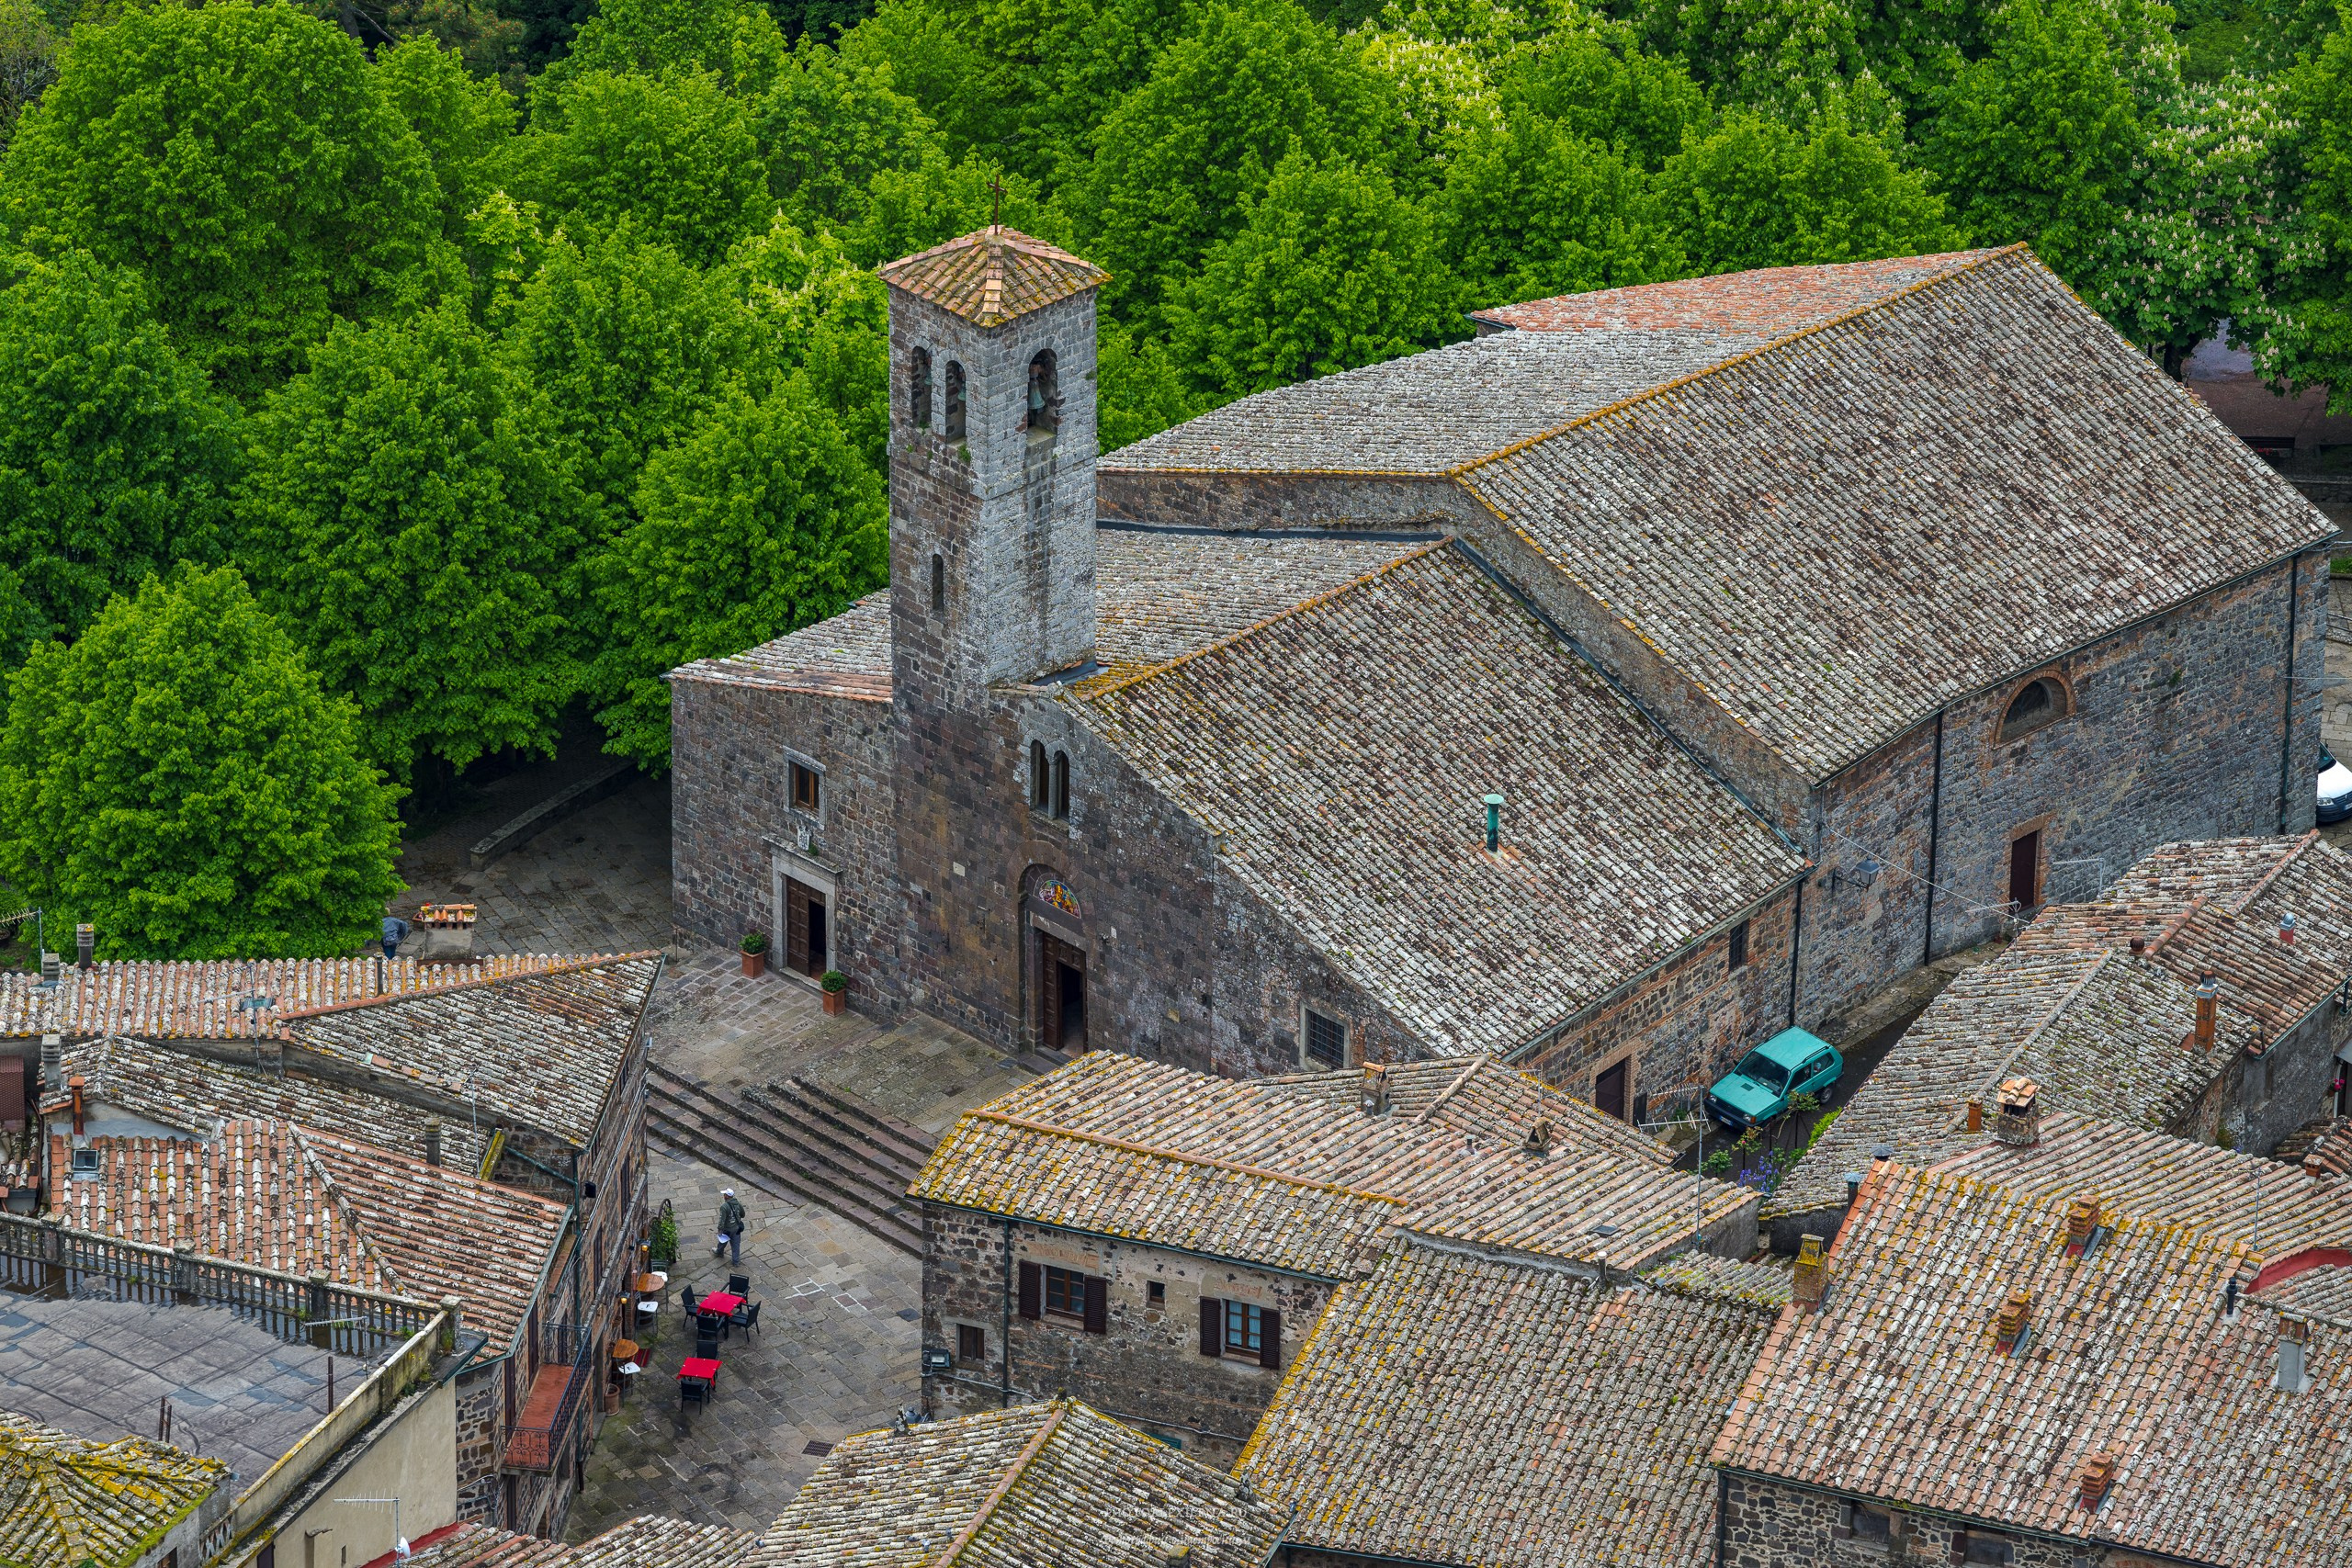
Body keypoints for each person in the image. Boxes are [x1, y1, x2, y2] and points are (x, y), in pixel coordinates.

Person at [715, 1190, 746, 1265]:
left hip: (727, 1229)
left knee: (723, 1242)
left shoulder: (724, 1207)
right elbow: (743, 1214)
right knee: (736, 1245)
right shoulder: (738, 1204)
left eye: (725, 1194)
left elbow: (722, 1220)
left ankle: (719, 1252)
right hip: (736, 1228)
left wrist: (720, 1230)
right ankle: (736, 1261)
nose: (724, 1195)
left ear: (727, 1196)